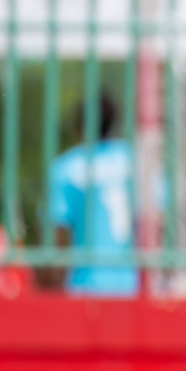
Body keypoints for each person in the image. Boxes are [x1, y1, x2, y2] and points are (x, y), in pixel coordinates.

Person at [47, 93, 140, 296]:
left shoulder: (67, 166)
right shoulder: (137, 162)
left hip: (85, 285)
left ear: (80, 126)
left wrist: (52, 285)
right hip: (135, 285)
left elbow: (59, 235)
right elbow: (154, 220)